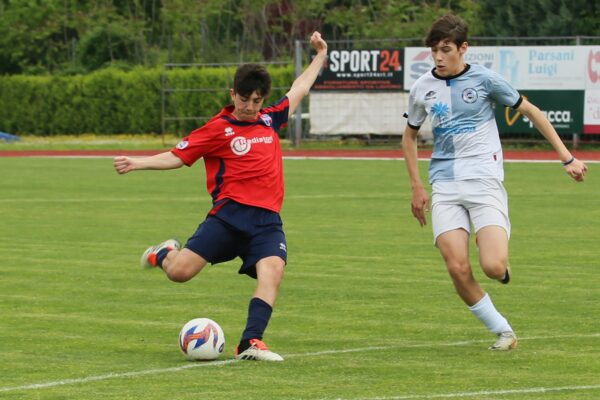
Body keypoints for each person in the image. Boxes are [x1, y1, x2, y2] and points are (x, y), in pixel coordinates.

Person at [114, 32, 328, 361]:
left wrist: (320, 55)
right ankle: (165, 253)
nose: (250, 107)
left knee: (273, 271)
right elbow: (178, 155)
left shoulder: (270, 120)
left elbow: (299, 88)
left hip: (267, 221)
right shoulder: (218, 128)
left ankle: (251, 342)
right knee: (180, 273)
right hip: (228, 217)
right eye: (245, 100)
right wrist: (137, 162)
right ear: (233, 94)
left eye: (257, 101)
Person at [402, 15, 587, 351]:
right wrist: (416, 185)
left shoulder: (486, 80)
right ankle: (503, 331)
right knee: (456, 266)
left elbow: (532, 112)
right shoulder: (421, 88)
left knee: (492, 266)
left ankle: (497, 261)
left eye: (446, 50)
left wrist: (568, 158)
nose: (439, 57)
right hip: (444, 184)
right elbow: (409, 136)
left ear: (463, 48)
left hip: (484, 181)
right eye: (434, 51)